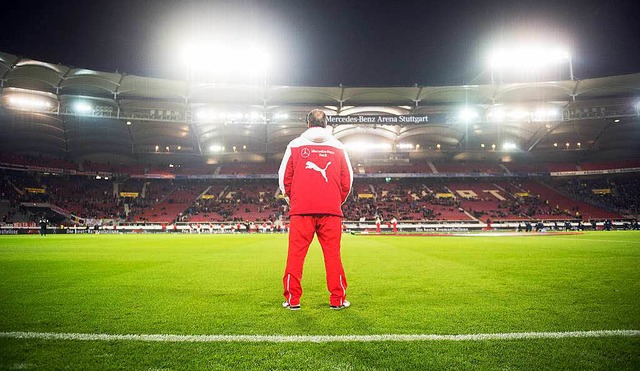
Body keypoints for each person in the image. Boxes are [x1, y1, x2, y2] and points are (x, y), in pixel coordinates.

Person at [278, 109, 353, 310]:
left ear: (308, 123)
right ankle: (337, 300)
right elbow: (348, 180)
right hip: (331, 212)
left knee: (295, 255)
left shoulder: (295, 145)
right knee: (333, 256)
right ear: (326, 124)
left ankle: (293, 300)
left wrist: (294, 201)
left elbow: (284, 178)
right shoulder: (338, 146)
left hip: (301, 211)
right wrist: (336, 201)